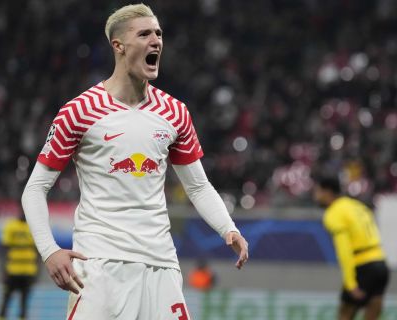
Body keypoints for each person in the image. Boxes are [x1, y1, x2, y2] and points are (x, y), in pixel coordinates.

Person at [21, 4, 249, 319]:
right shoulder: (78, 111)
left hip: (162, 264)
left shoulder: (175, 112)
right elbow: (34, 189)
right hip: (100, 264)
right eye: (144, 34)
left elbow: (197, 185)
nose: (156, 40)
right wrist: (49, 252)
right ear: (119, 46)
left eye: (158, 33)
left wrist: (227, 228)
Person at [313, 177, 389, 320]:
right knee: (372, 314)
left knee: (345, 313)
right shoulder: (357, 206)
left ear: (327, 192)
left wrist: (350, 283)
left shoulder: (334, 212)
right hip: (381, 264)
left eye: (317, 192)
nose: (315, 196)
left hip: (363, 266)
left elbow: (344, 250)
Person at [0, 211, 38, 320]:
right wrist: (4, 271)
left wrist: (37, 273)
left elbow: (38, 253)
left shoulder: (33, 227)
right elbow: (4, 250)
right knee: (6, 300)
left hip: (28, 272)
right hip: (12, 271)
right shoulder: (10, 226)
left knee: (24, 303)